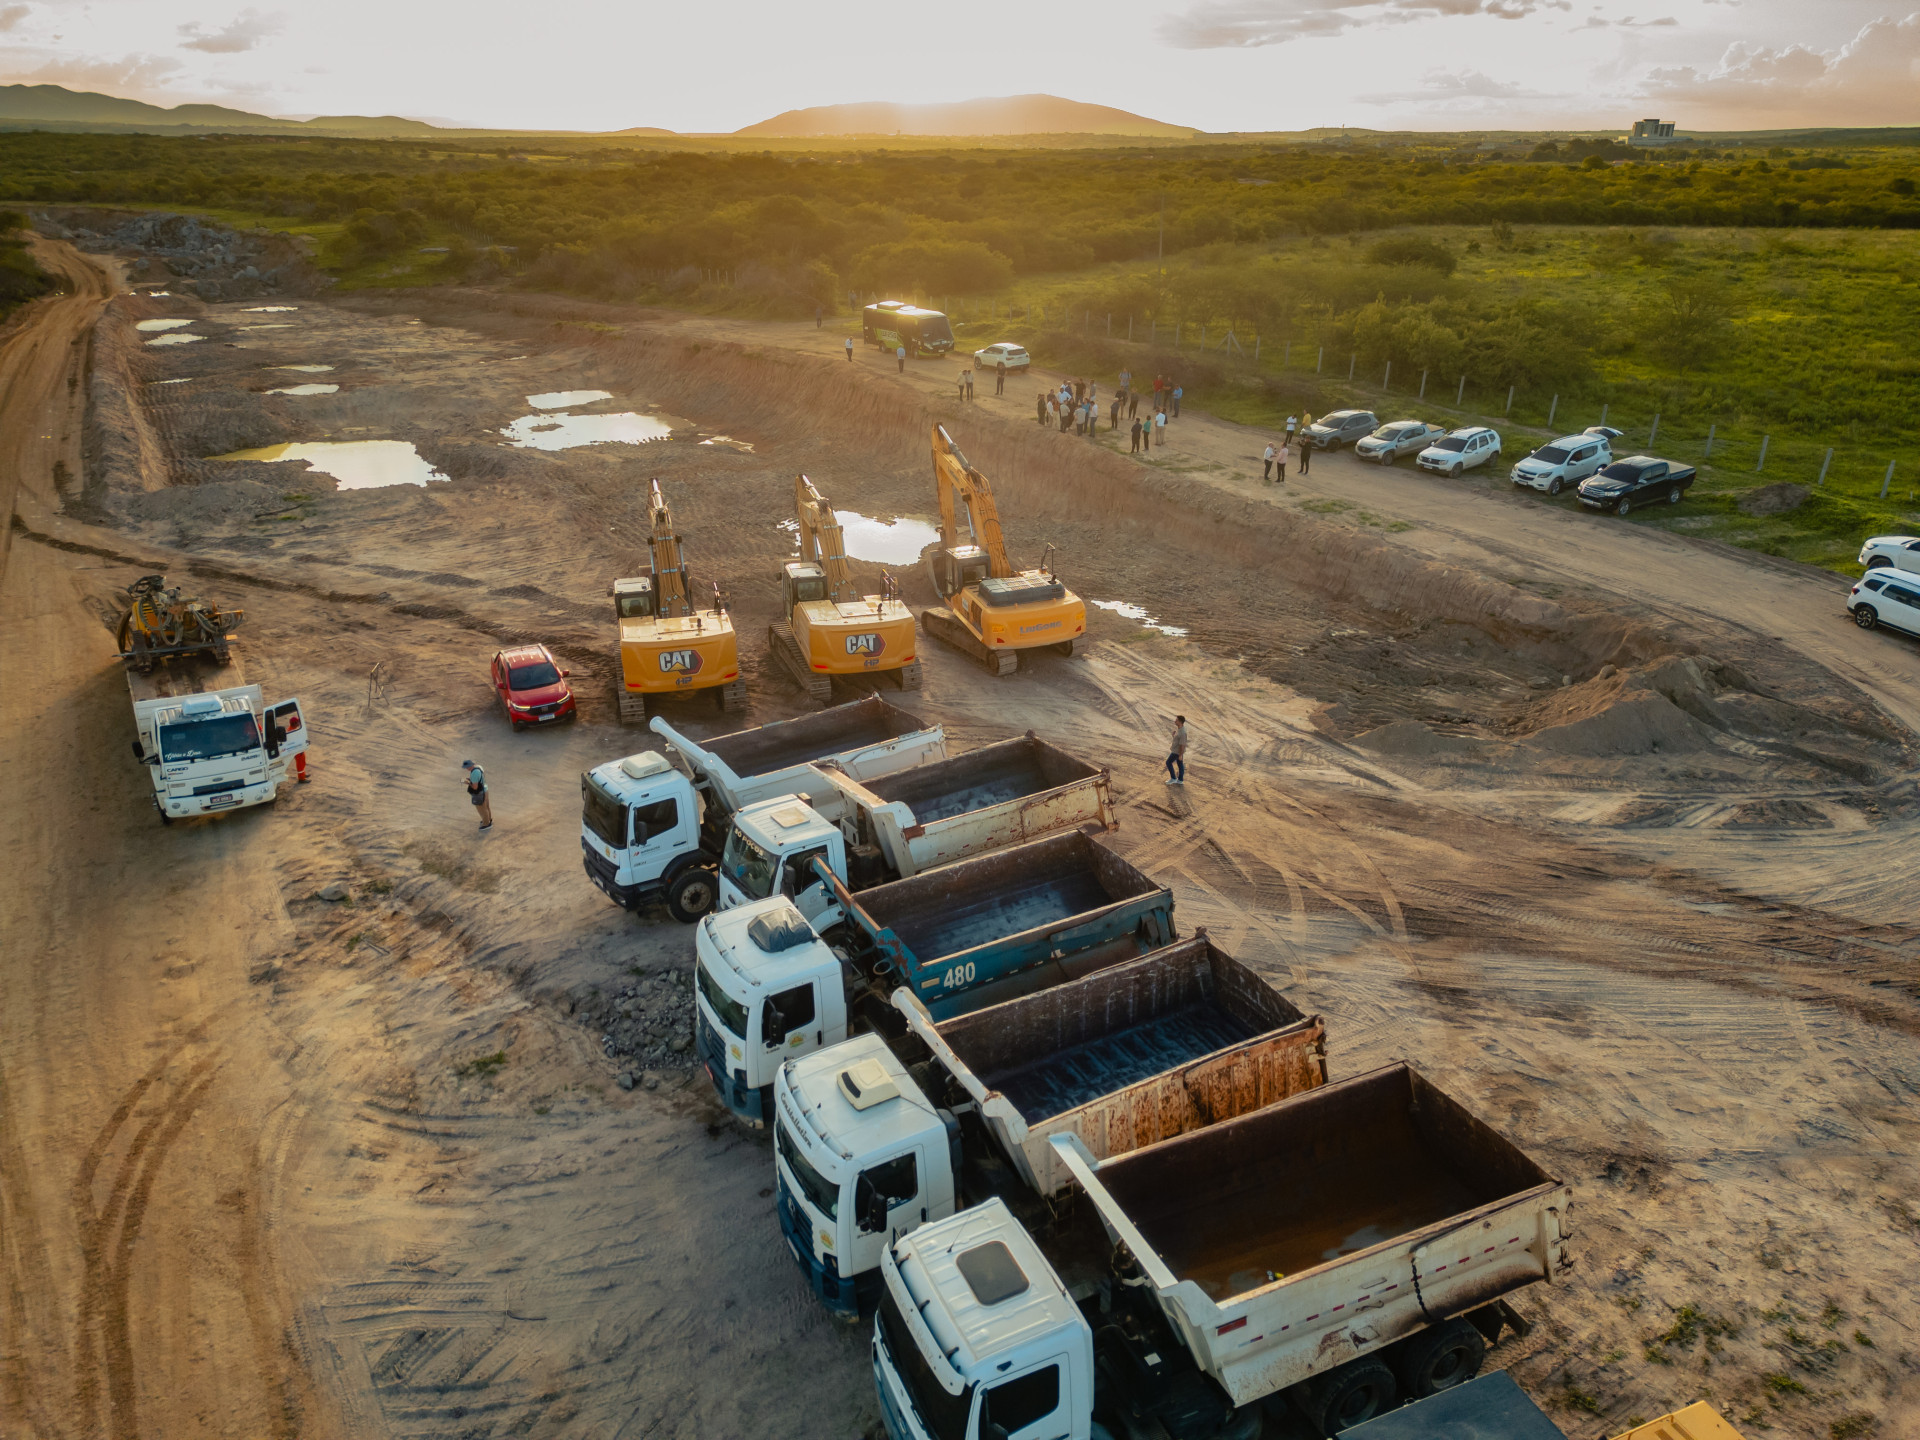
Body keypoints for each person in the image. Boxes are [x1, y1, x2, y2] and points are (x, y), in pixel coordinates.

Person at [462, 759, 492, 830]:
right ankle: (488, 819)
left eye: (467, 767)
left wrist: (468, 783)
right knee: (486, 807)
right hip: (485, 790)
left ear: (470, 766)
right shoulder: (479, 767)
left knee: (481, 809)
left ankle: (486, 824)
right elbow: (480, 778)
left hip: (480, 793)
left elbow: (475, 787)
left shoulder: (474, 773)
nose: (466, 769)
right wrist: (471, 780)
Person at [1165, 716, 1188, 786]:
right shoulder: (1179, 729)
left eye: (1176, 720)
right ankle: (1180, 780)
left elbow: (1182, 745)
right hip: (1178, 751)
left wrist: (1180, 755)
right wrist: (1174, 736)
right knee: (1180, 765)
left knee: (1168, 762)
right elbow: (1178, 740)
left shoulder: (1183, 732)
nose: (1175, 721)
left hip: (1177, 752)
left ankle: (1173, 778)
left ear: (1180, 722)